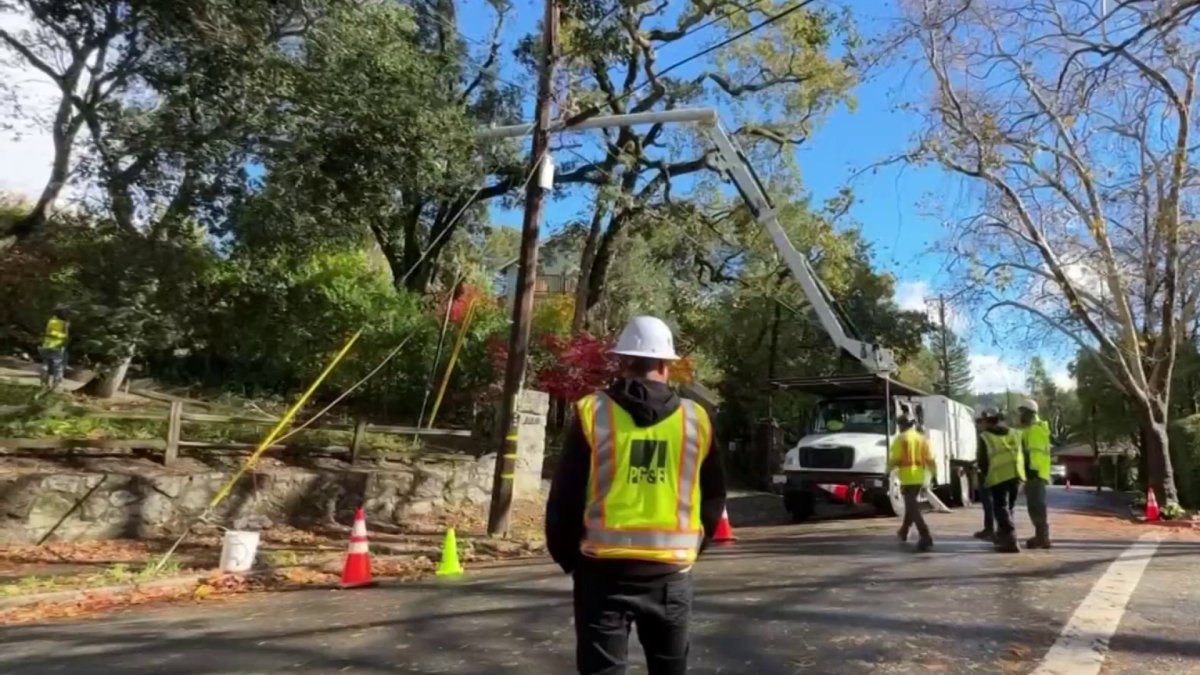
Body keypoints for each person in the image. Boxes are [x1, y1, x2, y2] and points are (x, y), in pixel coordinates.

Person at [545, 315, 727, 675]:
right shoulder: (697, 419)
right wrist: (692, 548)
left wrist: (571, 560)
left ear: (623, 361)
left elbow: (565, 497)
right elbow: (713, 497)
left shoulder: (591, 413)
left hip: (601, 573)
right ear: (666, 364)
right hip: (671, 574)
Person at [980, 408, 1024, 553]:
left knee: (1001, 508)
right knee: (1009, 507)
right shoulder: (1015, 433)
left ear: (987, 420)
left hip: (998, 475)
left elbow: (983, 460)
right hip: (1016, 474)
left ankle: (1011, 539)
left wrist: (986, 474)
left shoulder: (985, 436)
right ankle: (1002, 536)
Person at [888, 414, 934, 552]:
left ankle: (925, 535)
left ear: (901, 425)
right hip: (920, 477)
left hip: (907, 477)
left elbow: (895, 459)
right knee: (911, 505)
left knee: (912, 507)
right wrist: (933, 474)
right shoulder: (922, 439)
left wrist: (887, 471)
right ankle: (904, 531)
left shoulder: (900, 439)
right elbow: (930, 458)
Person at [1018, 399, 1053, 549]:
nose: (1020, 415)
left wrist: (1033, 470)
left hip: (1035, 473)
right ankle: (1041, 536)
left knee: (1037, 505)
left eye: (1022, 412)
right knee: (1034, 505)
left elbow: (1036, 452)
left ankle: (1042, 537)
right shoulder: (1029, 428)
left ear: (1030, 413)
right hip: (1033, 473)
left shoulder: (1035, 429)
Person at [973, 411, 995, 541]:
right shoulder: (1001, 434)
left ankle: (990, 529)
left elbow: (984, 457)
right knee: (994, 504)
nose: (978, 424)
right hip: (997, 473)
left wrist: (980, 469)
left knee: (989, 504)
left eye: (980, 422)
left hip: (988, 474)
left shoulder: (986, 436)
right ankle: (991, 529)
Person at [39, 305, 69, 392]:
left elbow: (47, 332)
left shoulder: (51, 321)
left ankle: (44, 383)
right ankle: (55, 386)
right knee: (58, 366)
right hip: (57, 346)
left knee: (45, 364)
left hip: (47, 345)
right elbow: (66, 336)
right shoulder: (64, 323)